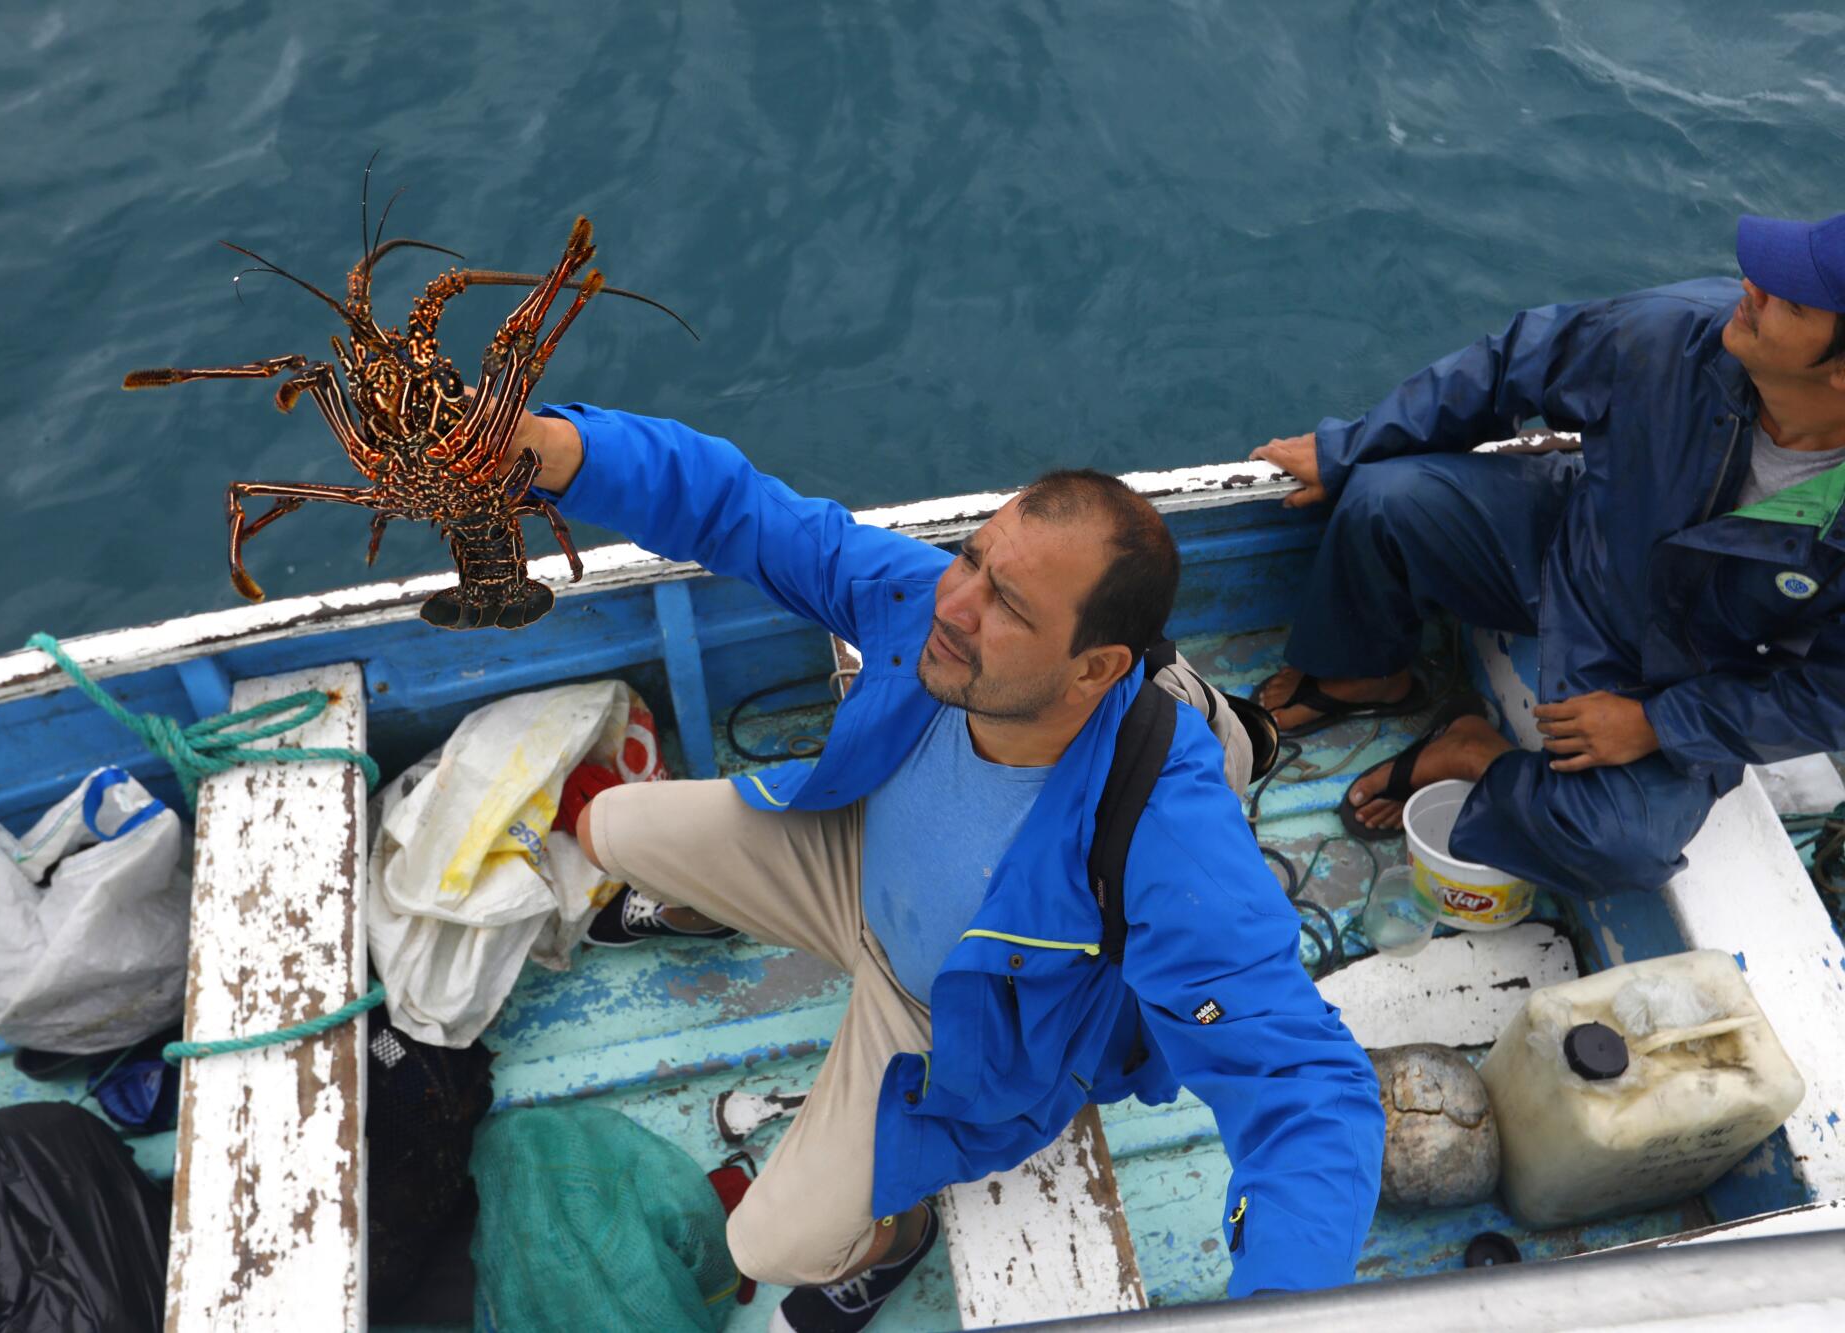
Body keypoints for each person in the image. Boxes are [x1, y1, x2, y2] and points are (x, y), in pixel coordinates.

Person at [495, 403, 1382, 1330]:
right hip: (854, 863)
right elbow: (742, 512)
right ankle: (722, 902)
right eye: (973, 557)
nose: (954, 609)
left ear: (1095, 669)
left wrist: (1283, 1311)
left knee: (767, 1246)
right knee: (608, 826)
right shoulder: (930, 601)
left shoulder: (1167, 833)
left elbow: (1306, 1091)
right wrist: (564, 453)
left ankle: (896, 1235)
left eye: (1011, 607)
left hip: (949, 1014)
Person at [1248, 211, 1845, 898]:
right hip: (1574, 539)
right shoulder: (1680, 330)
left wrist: (1658, 723)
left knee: (1620, 847)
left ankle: (1477, 752)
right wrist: (1345, 449)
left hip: (1679, 672)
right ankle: (1363, 675)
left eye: (1790, 301)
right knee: (1383, 497)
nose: (1751, 289)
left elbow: (1829, 695)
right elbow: (1517, 360)